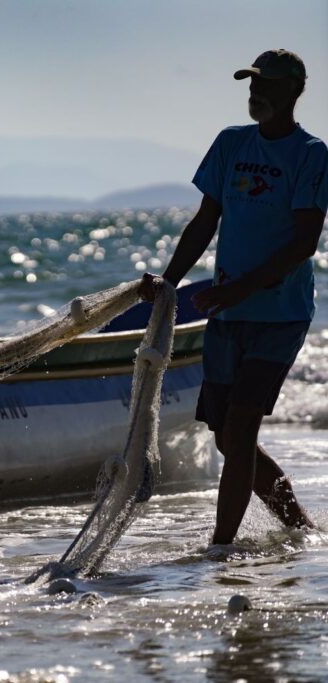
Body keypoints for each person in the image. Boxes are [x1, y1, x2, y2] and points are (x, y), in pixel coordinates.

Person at [142, 49, 327, 548]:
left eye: (265, 84)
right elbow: (205, 221)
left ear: (295, 90)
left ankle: (219, 548)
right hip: (227, 312)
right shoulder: (230, 144)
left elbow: (305, 241)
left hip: (279, 316)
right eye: (251, 84)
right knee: (227, 437)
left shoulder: (311, 154)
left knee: (242, 427)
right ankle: (301, 527)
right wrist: (169, 280)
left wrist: (243, 288)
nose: (255, 92)